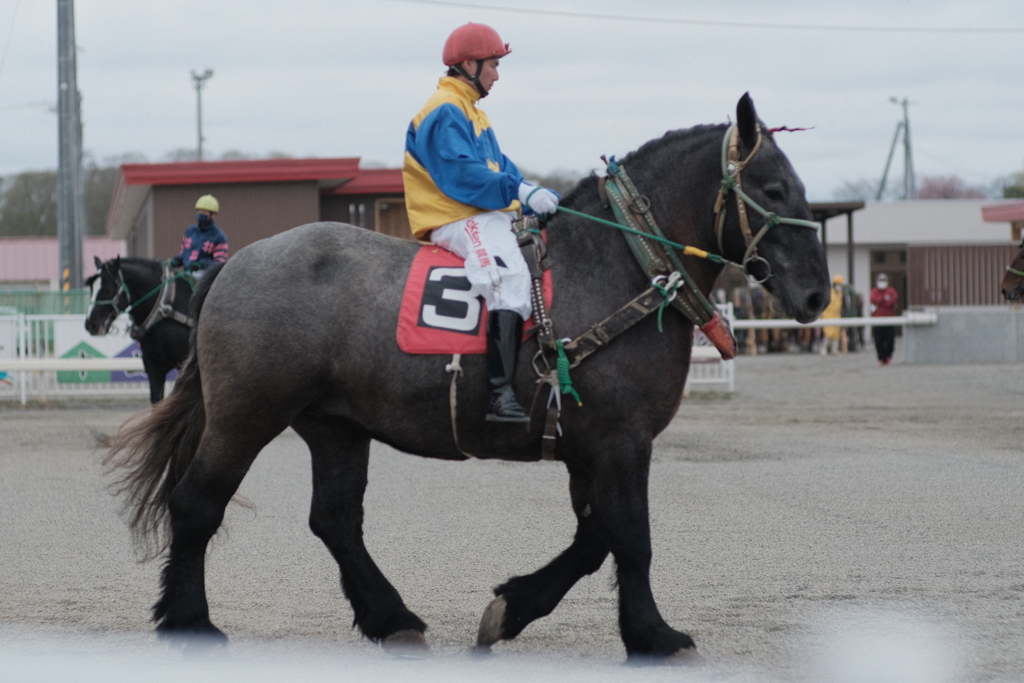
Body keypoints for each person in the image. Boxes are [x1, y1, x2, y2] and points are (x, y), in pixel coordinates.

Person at [403, 23, 560, 423]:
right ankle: (499, 393)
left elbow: (501, 169)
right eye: (493, 63)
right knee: (507, 277)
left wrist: (528, 191)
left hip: (481, 212)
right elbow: (462, 174)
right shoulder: (444, 110)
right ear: (470, 64)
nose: (497, 73)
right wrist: (518, 191)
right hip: (456, 215)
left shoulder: (476, 114)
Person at [169, 194, 229, 277]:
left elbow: (220, 262)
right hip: (187, 273)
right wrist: (178, 259)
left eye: (204, 212)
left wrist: (201, 264)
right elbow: (185, 252)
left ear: (213, 215)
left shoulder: (219, 236)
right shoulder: (190, 231)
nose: (200, 214)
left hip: (205, 276)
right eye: (199, 211)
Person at [870, 273, 898, 365]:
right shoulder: (874, 291)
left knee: (890, 340)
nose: (882, 283)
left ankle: (888, 356)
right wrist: (884, 298)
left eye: (884, 281)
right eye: (880, 281)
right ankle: (881, 358)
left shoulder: (891, 291)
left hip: (889, 319)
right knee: (878, 340)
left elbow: (891, 302)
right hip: (877, 320)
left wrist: (881, 302)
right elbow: (874, 299)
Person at [820, 274, 847, 356]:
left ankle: (834, 349)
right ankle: (824, 348)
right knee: (828, 333)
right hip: (828, 314)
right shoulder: (829, 292)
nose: (839, 286)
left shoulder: (840, 293)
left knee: (836, 334)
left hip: (836, 315)